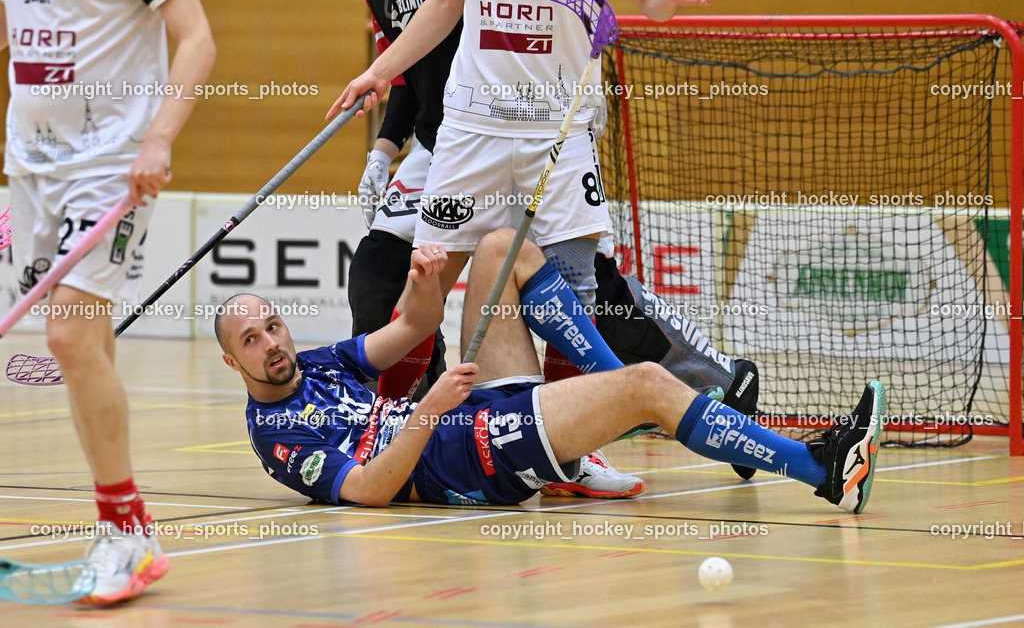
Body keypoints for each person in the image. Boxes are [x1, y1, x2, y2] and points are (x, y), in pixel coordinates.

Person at [218, 228, 886, 514]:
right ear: (232, 360)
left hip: (467, 415)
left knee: (502, 249)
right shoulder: (277, 435)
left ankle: (604, 402)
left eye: (273, 325)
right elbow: (367, 490)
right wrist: (430, 410)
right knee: (648, 384)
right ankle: (822, 469)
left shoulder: (315, 364)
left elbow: (414, 328)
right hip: (468, 458)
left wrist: (424, 283)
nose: (272, 343)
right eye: (252, 339)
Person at [330, 0, 737, 403]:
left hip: (558, 131)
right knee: (423, 287)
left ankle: (569, 439)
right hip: (470, 131)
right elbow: (446, 2)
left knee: (576, 294)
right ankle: (389, 426)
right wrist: (380, 72)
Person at [0, 0, 216, 604]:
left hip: (111, 165)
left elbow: (197, 40)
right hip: (30, 166)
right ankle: (120, 527)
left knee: (66, 336)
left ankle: (126, 526)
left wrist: (160, 139)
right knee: (86, 345)